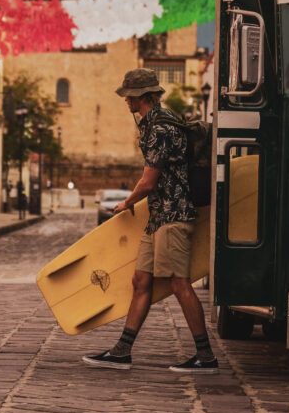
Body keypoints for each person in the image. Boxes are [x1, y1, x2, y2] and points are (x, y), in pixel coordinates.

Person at [82, 69, 218, 374]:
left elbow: (148, 180)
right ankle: (122, 351)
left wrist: (126, 202)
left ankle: (206, 356)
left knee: (180, 283)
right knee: (140, 281)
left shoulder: (160, 127)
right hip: (159, 217)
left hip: (173, 215)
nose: (126, 101)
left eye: (129, 96)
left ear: (142, 97)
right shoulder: (159, 122)